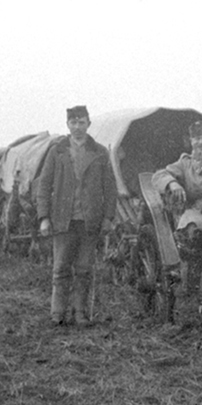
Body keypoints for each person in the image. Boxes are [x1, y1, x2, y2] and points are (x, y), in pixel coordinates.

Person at [36, 105, 118, 326]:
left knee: (84, 269)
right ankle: (57, 312)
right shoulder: (57, 151)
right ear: (67, 125)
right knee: (60, 268)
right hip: (63, 219)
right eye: (73, 122)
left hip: (89, 221)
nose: (77, 127)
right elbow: (44, 185)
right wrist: (44, 217)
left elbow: (110, 188)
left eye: (82, 122)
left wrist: (108, 217)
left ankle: (80, 312)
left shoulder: (100, 152)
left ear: (88, 124)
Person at [152, 120, 202, 245]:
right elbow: (159, 176)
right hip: (200, 211)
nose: (201, 142)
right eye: (197, 139)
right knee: (195, 234)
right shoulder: (185, 163)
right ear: (191, 141)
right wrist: (172, 183)